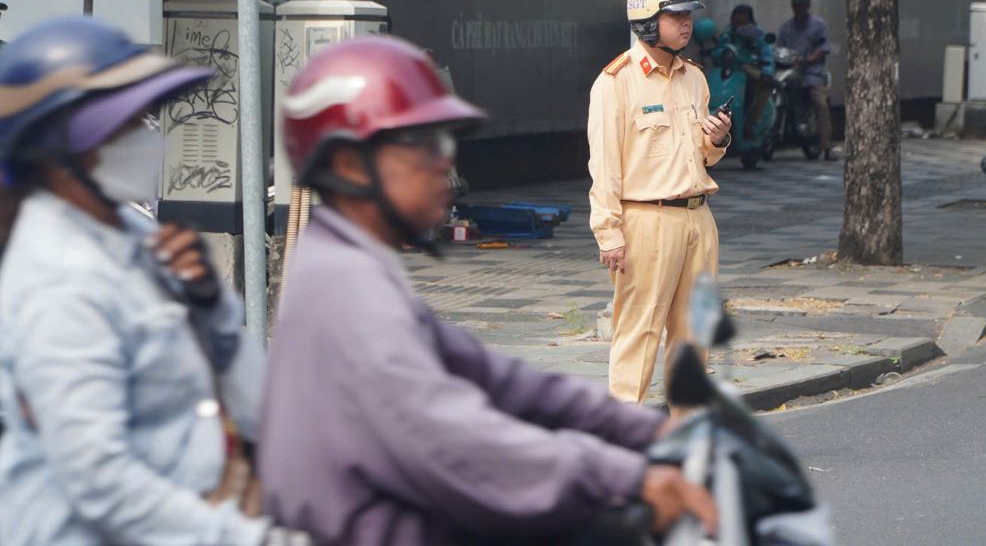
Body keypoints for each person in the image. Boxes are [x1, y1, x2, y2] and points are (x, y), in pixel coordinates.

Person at [260, 35, 717, 544]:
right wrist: (627, 476)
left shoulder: (354, 263)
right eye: (422, 145)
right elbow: (461, 438)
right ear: (349, 165)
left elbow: (494, 376)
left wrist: (640, 429)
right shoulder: (344, 288)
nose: (443, 164)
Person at [0, 17, 268, 546]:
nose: (147, 139)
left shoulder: (134, 235)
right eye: (125, 126)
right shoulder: (59, 283)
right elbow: (102, 485)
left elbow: (255, 401)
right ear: (63, 151)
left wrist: (210, 309)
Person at [588, 0, 732, 403]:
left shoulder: (694, 77)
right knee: (639, 333)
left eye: (689, 14)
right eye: (676, 15)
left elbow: (704, 154)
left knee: (693, 339)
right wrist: (608, 232)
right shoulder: (616, 82)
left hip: (697, 219)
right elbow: (605, 165)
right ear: (649, 21)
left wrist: (718, 138)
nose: (687, 23)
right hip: (645, 221)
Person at [776, 0, 834, 160]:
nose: (798, 9)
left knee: (820, 104)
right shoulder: (786, 28)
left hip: (811, 73)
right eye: (795, 6)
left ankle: (826, 146)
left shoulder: (819, 25)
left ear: (807, 6)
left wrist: (808, 59)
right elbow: (779, 49)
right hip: (790, 72)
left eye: (801, 6)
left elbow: (824, 49)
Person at [724, 4, 775, 143]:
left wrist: (766, 72)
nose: (740, 24)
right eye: (737, 20)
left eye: (743, 21)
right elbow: (720, 49)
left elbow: (766, 52)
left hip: (748, 68)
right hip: (730, 71)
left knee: (765, 87)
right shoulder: (728, 34)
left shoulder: (757, 34)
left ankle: (751, 124)